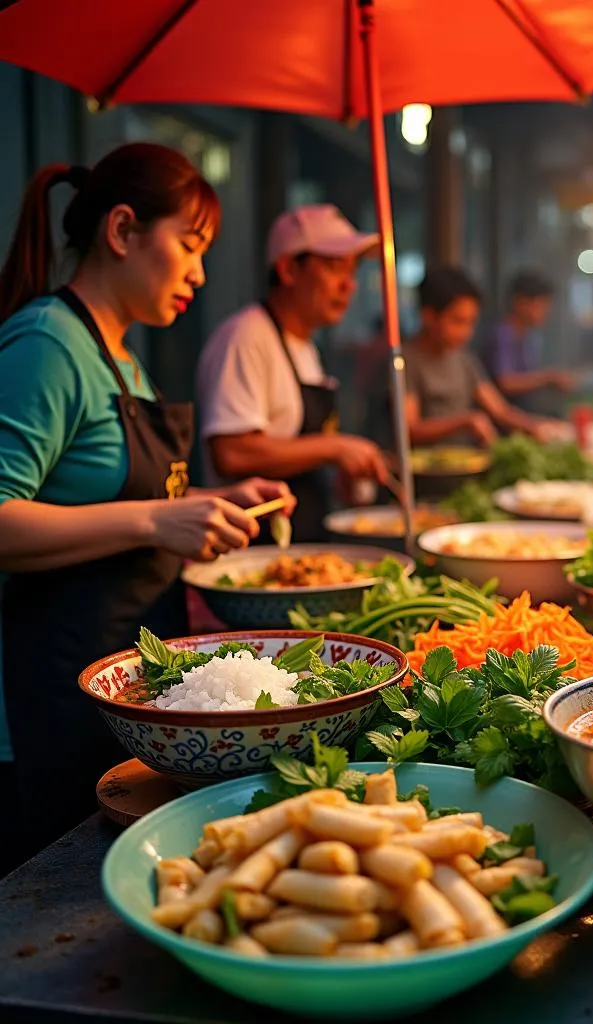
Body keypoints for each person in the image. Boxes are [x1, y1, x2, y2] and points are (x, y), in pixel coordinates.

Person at [0, 144, 293, 854]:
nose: (199, 271)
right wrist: (160, 517)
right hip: (52, 690)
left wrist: (216, 498)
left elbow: (119, 492)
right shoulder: (47, 341)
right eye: (190, 246)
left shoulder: (122, 356)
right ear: (124, 230)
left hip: (126, 683)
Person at [197, 205, 388, 542]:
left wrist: (336, 471)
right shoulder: (246, 336)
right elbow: (231, 451)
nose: (350, 285)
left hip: (303, 539)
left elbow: (293, 447)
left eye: (353, 270)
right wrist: (334, 448)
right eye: (334, 267)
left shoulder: (305, 346)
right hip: (252, 548)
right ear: (287, 269)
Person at [403, 266, 560, 447]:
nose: (466, 332)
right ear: (428, 316)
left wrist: (539, 426)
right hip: (426, 469)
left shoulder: (463, 358)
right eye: (457, 321)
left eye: (471, 322)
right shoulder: (406, 361)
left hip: (466, 461)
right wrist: (466, 421)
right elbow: (410, 429)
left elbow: (500, 410)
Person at [482, 270, 574, 414]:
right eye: (541, 305)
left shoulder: (528, 337)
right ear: (520, 303)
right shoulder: (502, 335)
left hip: (525, 414)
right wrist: (549, 377)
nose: (546, 311)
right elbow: (506, 383)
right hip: (503, 422)